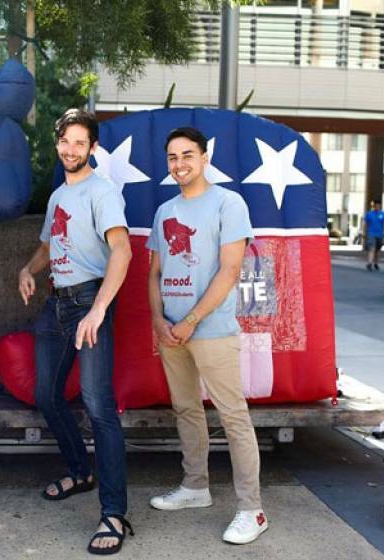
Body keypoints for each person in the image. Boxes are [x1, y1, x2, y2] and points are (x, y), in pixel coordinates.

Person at [18, 108, 133, 555]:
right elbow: (50, 243)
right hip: (58, 302)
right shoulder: (59, 196)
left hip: (91, 302)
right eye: (65, 142)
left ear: (93, 148)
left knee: (98, 405)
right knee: (46, 395)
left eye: (80, 143)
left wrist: (99, 310)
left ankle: (114, 512)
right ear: (58, 144)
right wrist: (28, 269)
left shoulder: (101, 192)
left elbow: (121, 251)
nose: (71, 149)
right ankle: (80, 471)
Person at [146, 127, 268, 545]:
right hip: (171, 332)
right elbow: (154, 273)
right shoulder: (164, 212)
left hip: (211, 330)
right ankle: (195, 487)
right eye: (172, 157)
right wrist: (158, 320)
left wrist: (192, 319)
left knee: (232, 416)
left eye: (187, 155)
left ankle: (252, 509)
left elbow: (230, 270)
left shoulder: (228, 203)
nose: (179, 164)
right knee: (186, 410)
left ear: (204, 158)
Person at [364, 200, 384, 271]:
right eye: (376, 206)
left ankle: (376, 263)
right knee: (372, 248)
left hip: (380, 235)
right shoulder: (369, 214)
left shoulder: (383, 214)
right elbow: (365, 224)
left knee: (377, 250)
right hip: (371, 234)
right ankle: (369, 263)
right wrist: (364, 233)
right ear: (374, 206)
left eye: (379, 206)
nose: (377, 207)